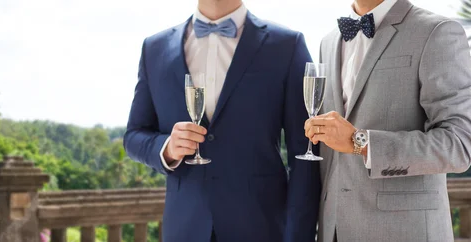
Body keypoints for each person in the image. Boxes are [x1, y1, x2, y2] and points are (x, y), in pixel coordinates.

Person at [123, 0, 321, 241]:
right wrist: (167, 148)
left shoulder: (287, 45)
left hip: (261, 228)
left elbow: (305, 154)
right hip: (184, 229)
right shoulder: (154, 48)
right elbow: (134, 135)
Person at [305, 0, 471, 241]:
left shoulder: (437, 32)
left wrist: (359, 142)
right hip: (334, 231)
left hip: (404, 232)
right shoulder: (329, 41)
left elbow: (459, 146)